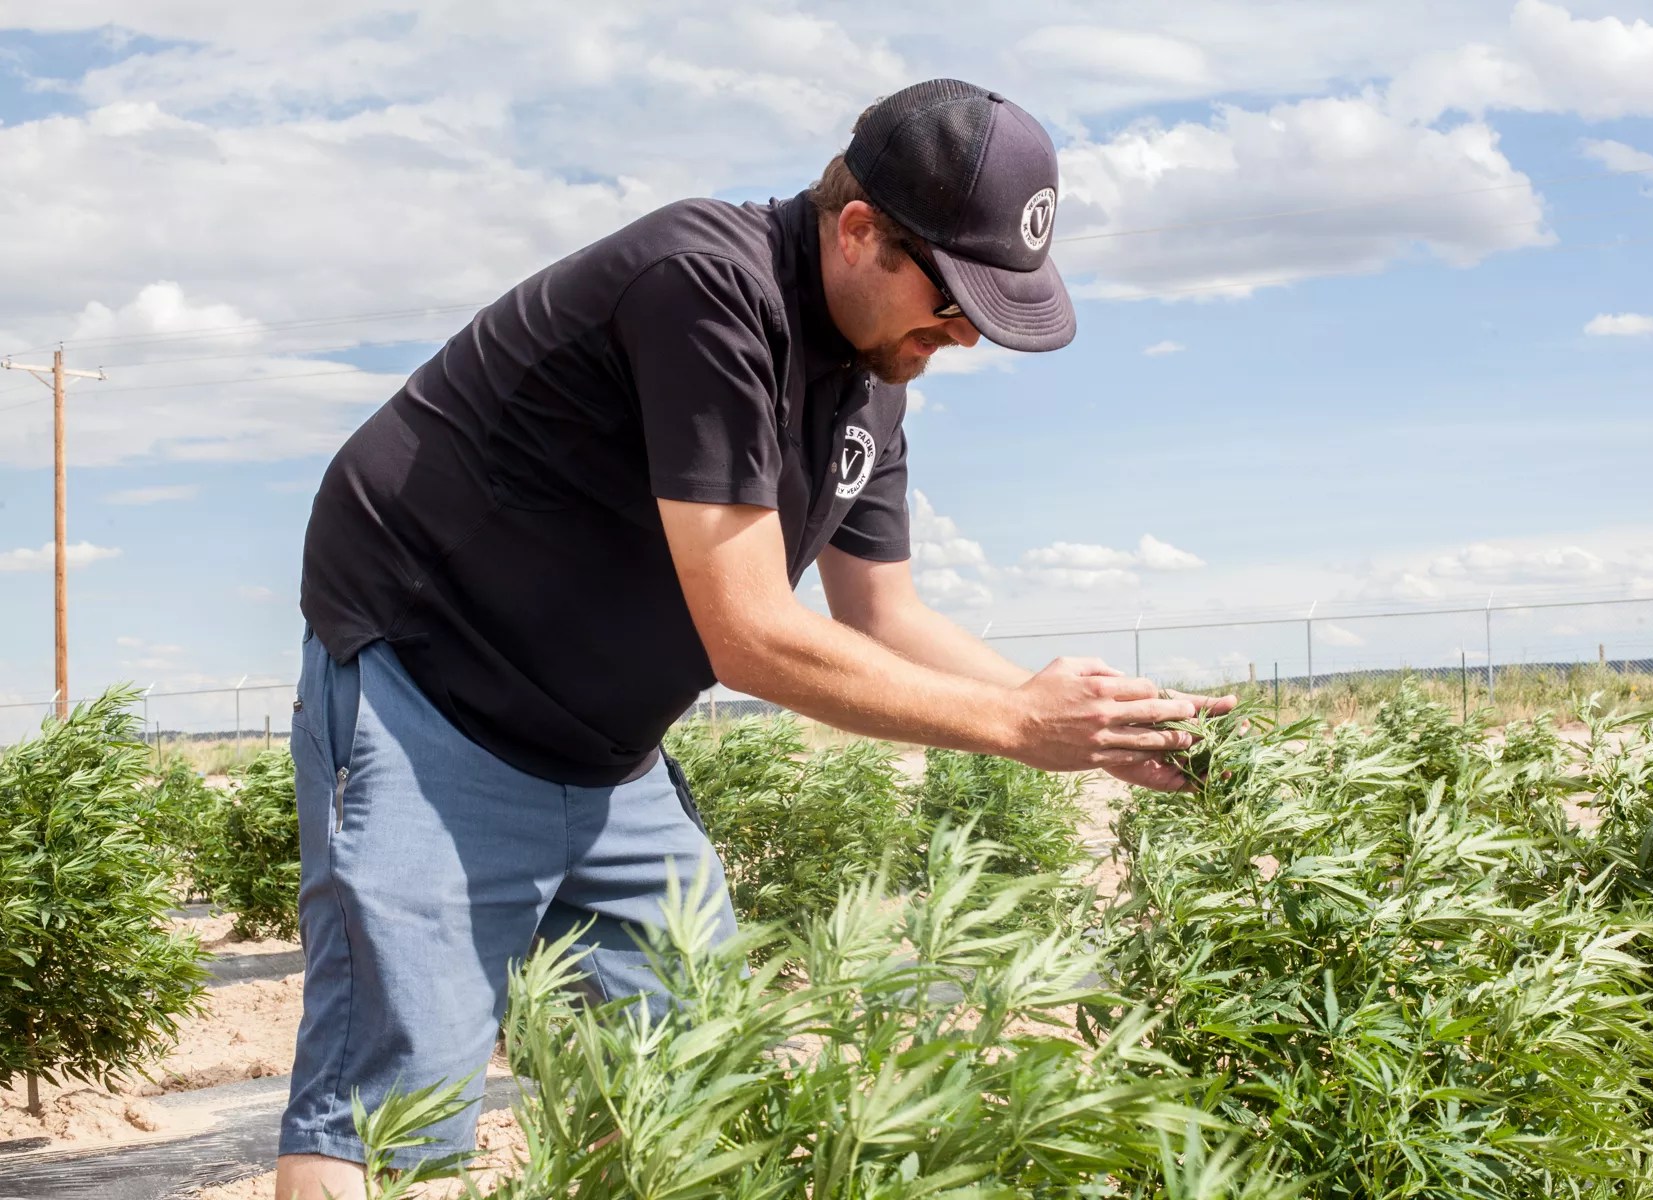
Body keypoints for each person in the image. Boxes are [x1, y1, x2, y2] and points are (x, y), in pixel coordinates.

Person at [276, 78, 1233, 1200]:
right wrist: (1022, 726)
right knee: (387, 1121)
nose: (966, 333)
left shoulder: (872, 386)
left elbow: (885, 616)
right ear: (860, 229)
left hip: (608, 756)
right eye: (954, 295)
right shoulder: (705, 286)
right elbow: (750, 637)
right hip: (433, 708)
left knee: (690, 1087)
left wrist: (1102, 725)